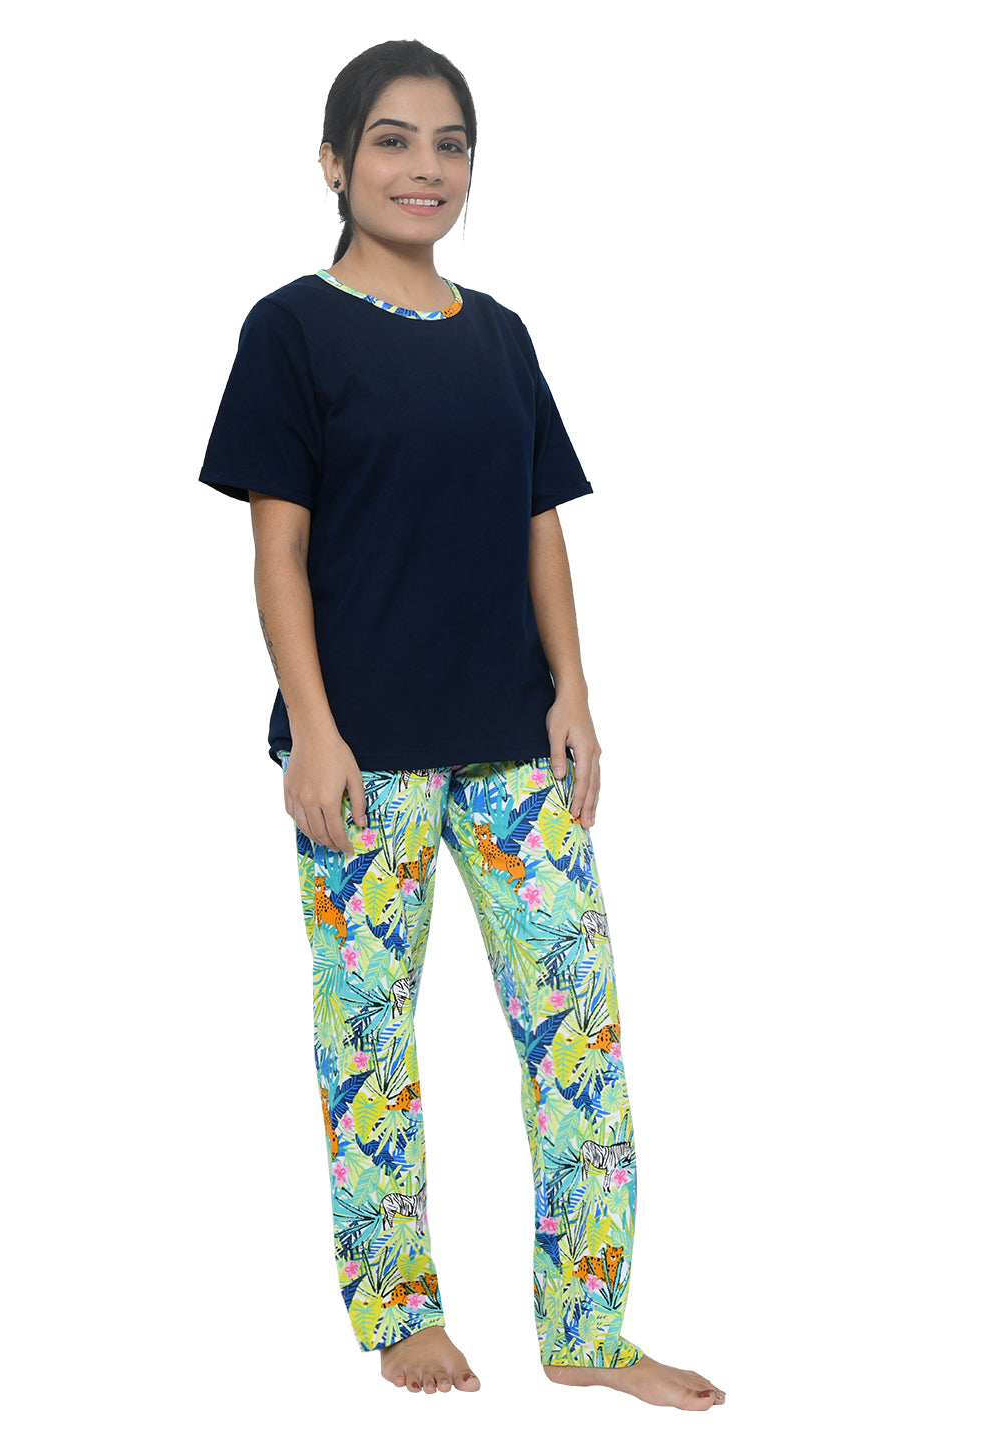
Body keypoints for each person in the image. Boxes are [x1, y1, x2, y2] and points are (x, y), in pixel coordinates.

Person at [197, 38, 724, 1411]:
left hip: (512, 744)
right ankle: (401, 1312)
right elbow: (276, 553)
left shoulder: (501, 336)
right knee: (369, 1037)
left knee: (578, 1026)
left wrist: (575, 693)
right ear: (334, 162)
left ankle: (587, 1328)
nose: (423, 167)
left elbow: (540, 526)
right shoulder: (290, 331)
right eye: (391, 140)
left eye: (450, 144)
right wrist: (314, 730)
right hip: (361, 754)